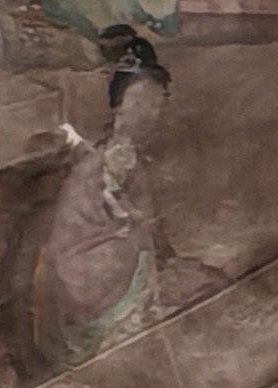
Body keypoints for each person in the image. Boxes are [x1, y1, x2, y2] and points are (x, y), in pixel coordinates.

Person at [30, 25, 172, 368]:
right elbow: (118, 220)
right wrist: (140, 234)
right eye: (139, 101)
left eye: (157, 101)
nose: (150, 110)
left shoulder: (130, 156)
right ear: (118, 107)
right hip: (83, 268)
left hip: (108, 257)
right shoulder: (111, 159)